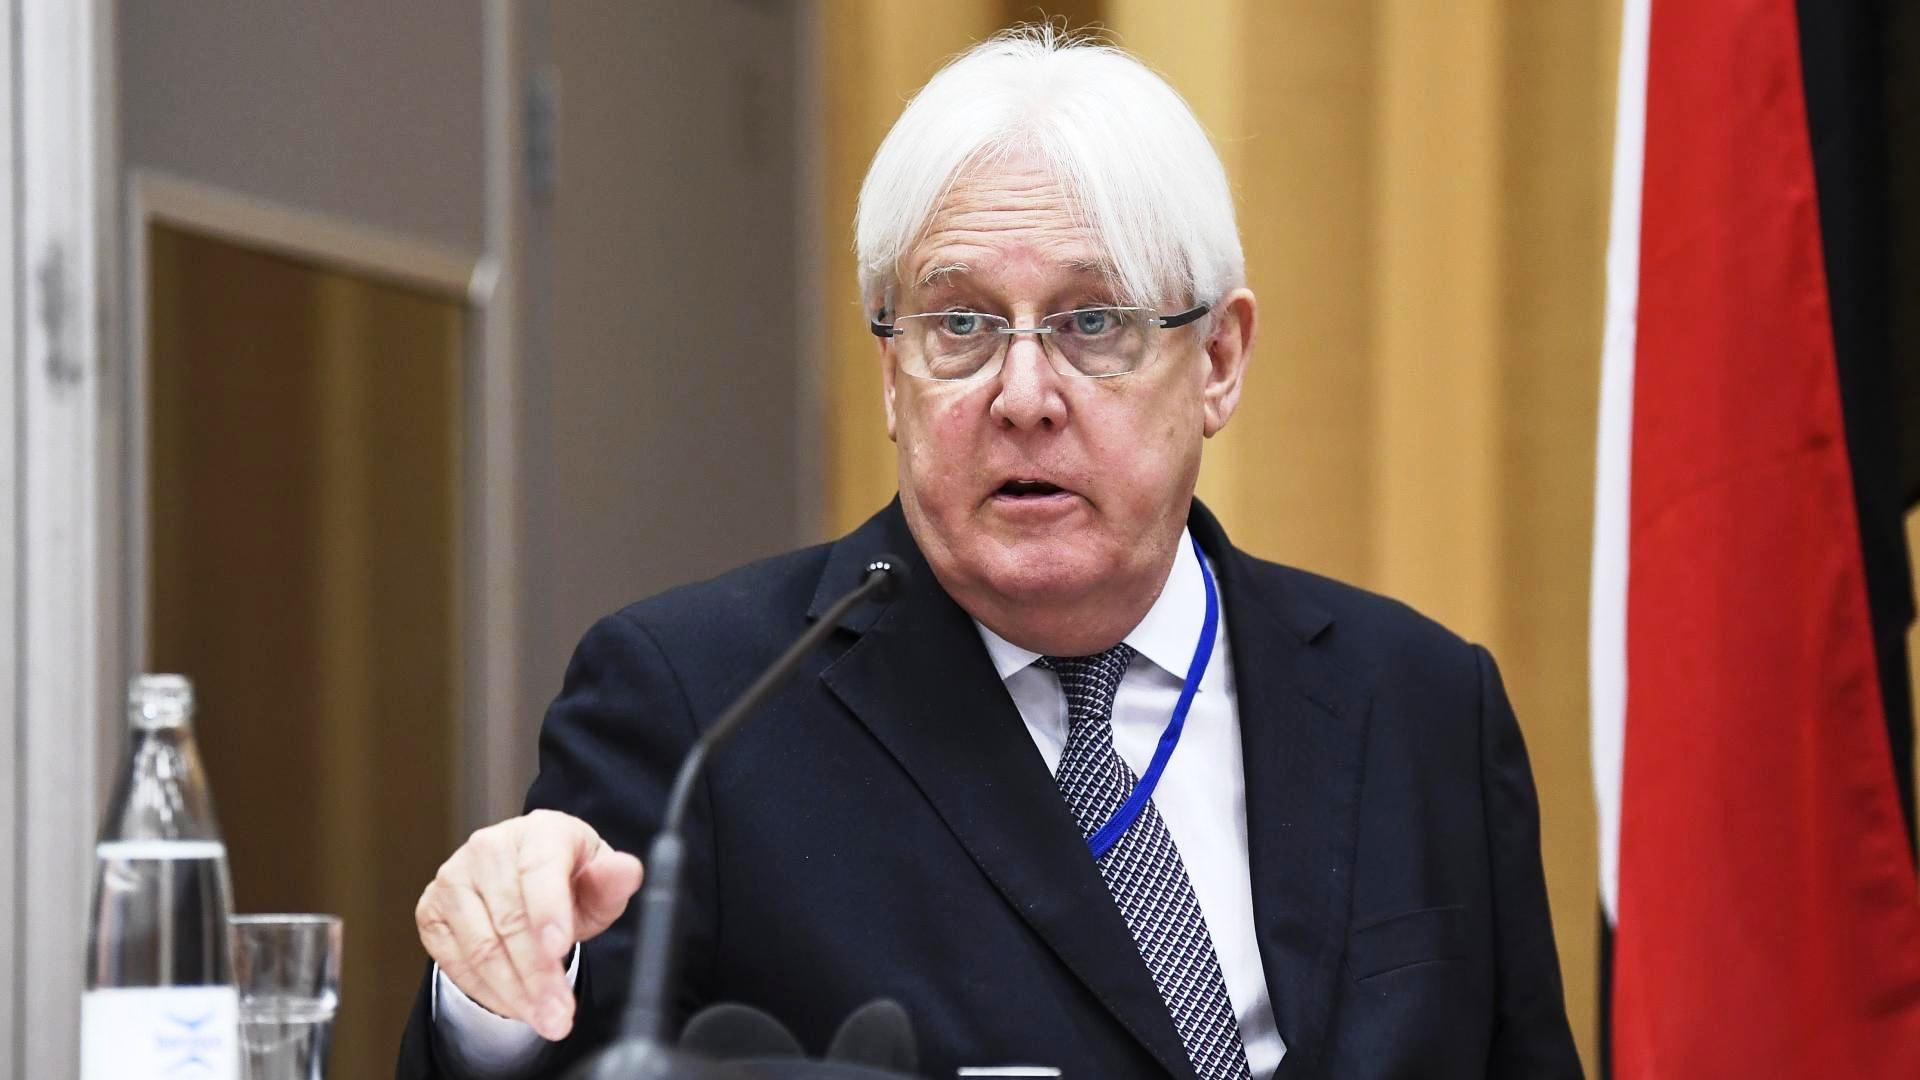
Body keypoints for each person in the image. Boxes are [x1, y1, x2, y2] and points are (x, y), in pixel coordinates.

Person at [397, 27, 1582, 1080]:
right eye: (959, 324)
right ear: (892, 376)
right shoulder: (701, 708)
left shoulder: (1423, 706)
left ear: (1219, 361)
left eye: (1093, 322)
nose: (1022, 396)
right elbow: (582, 1051)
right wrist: (496, 1001)